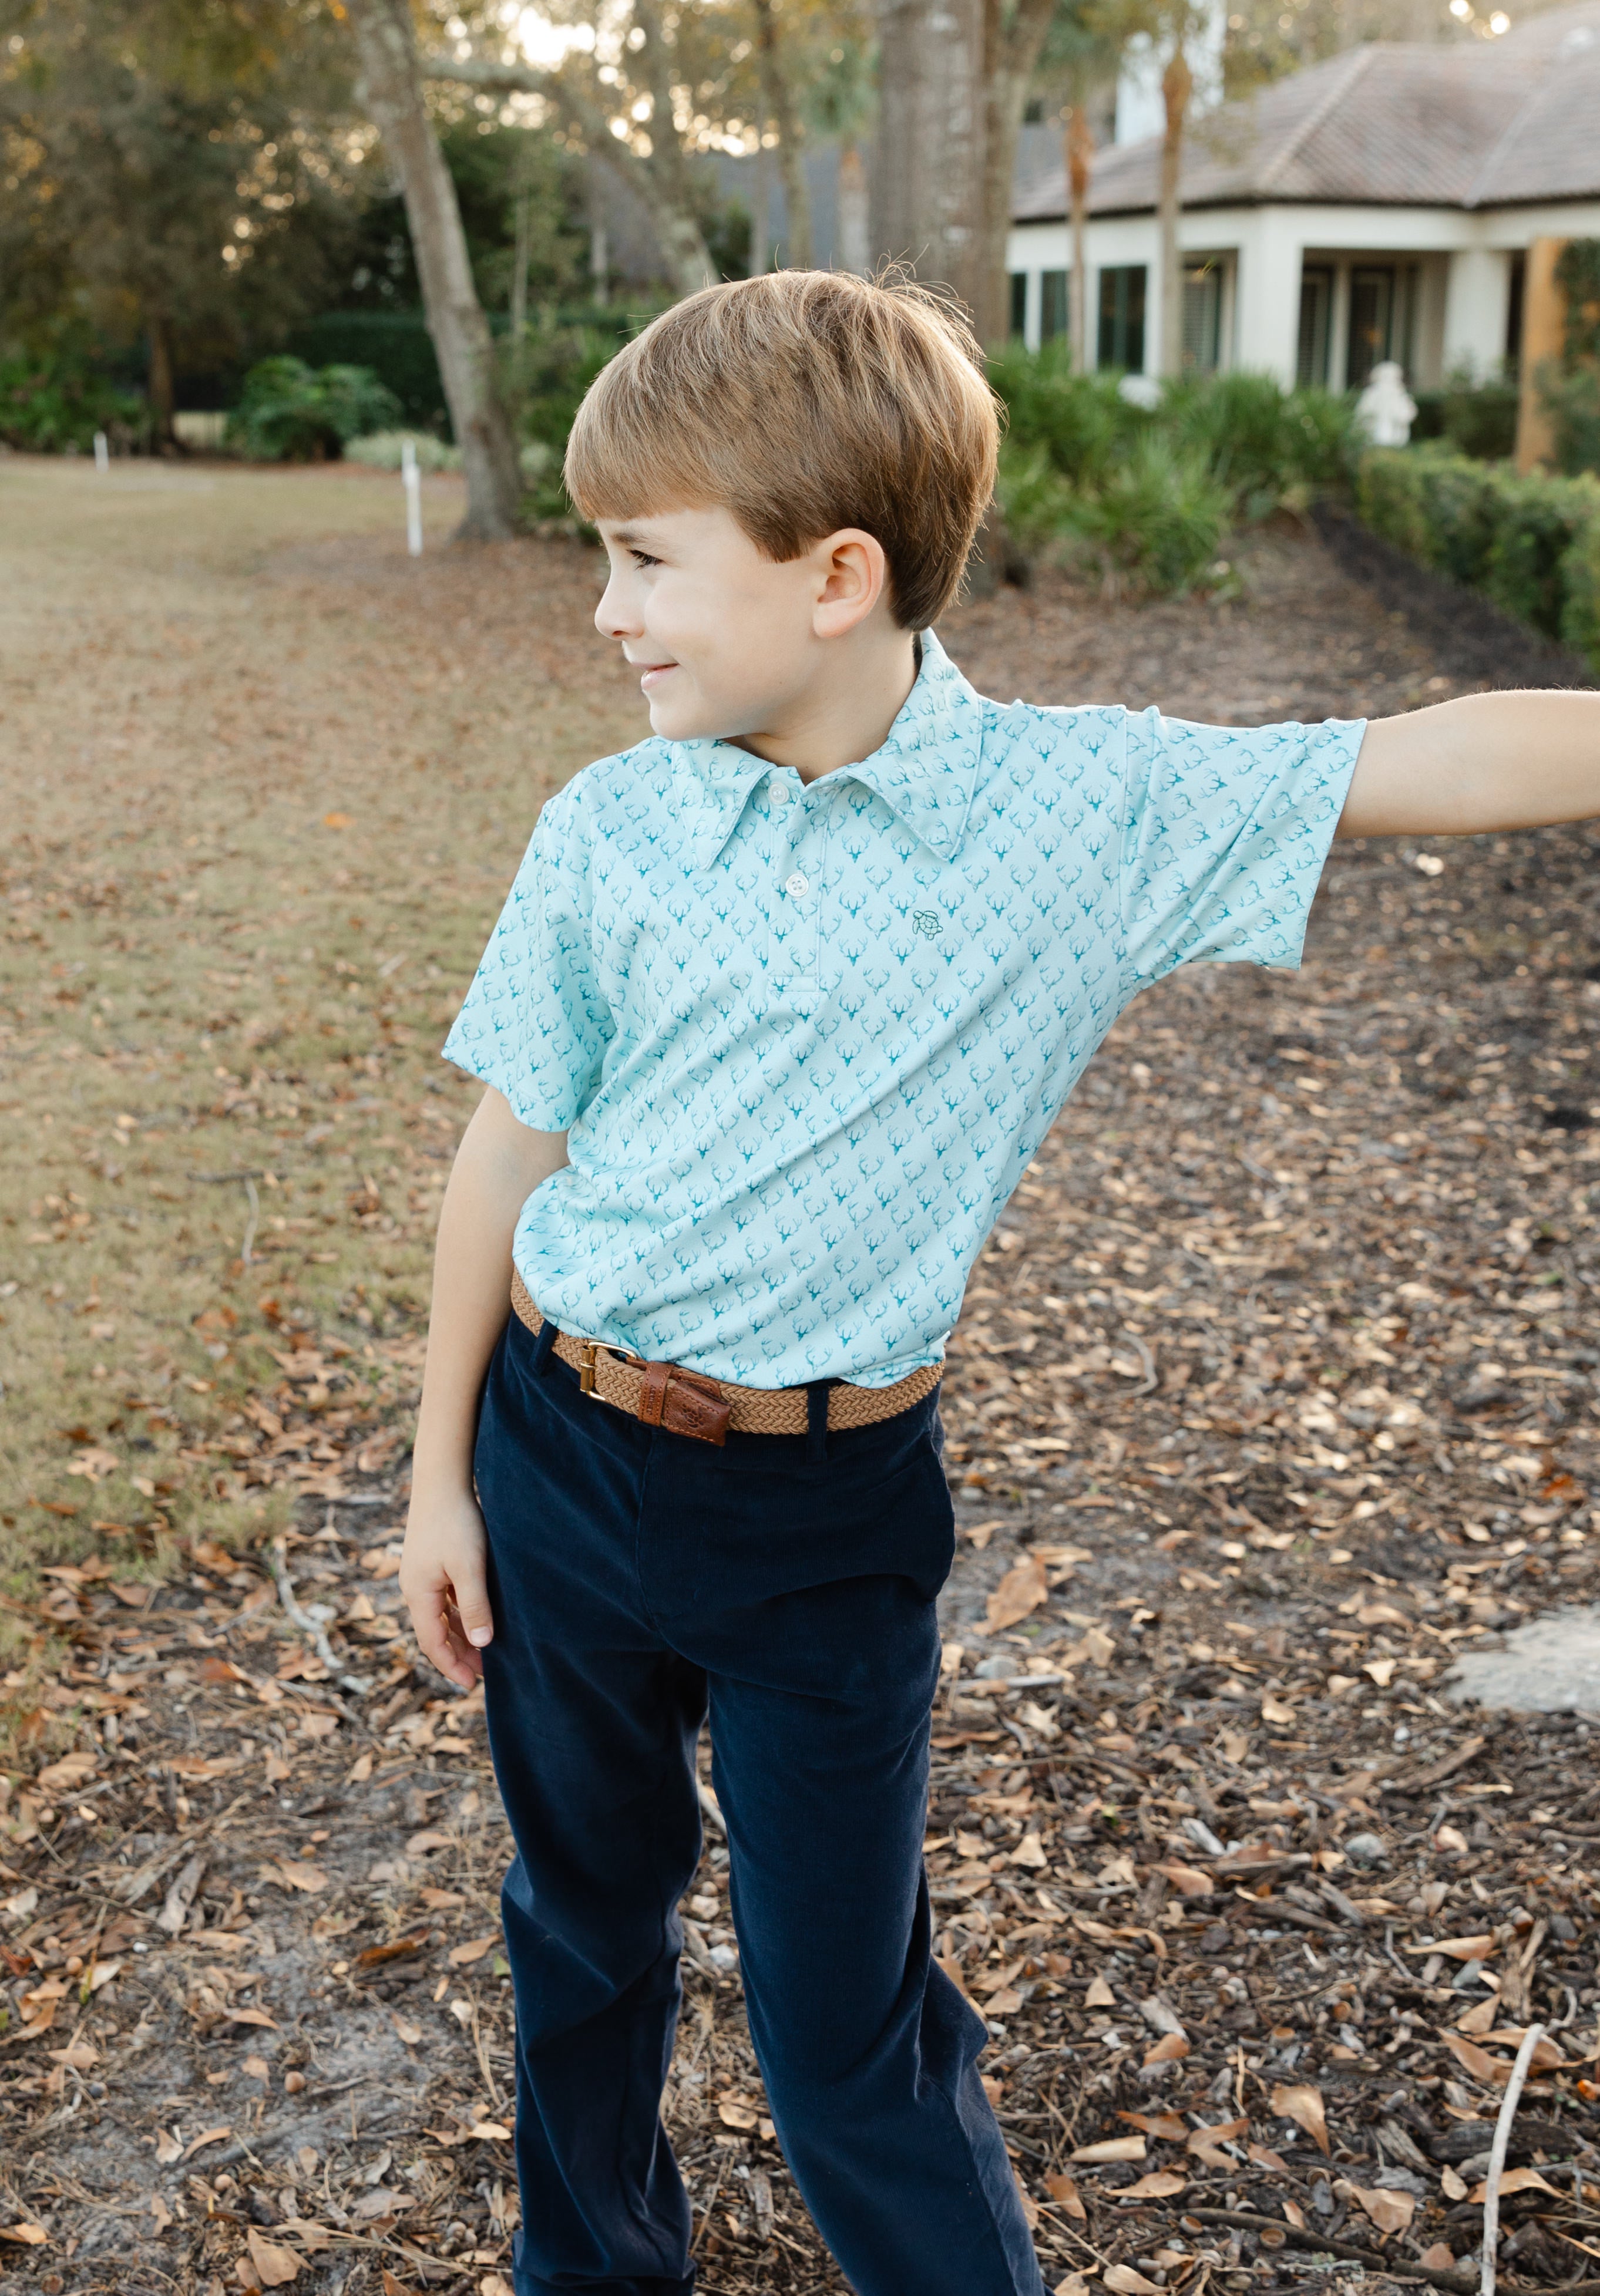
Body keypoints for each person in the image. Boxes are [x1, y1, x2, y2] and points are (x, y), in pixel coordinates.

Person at [399, 270, 1599, 2296]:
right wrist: (438, 1474)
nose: (604, 611)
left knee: (842, 2022)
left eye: (642, 560)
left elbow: (1424, 755)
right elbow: (507, 1150)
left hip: (825, 1519)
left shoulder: (1082, 811)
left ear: (835, 573)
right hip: (561, 1460)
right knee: (582, 1931)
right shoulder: (609, 825)